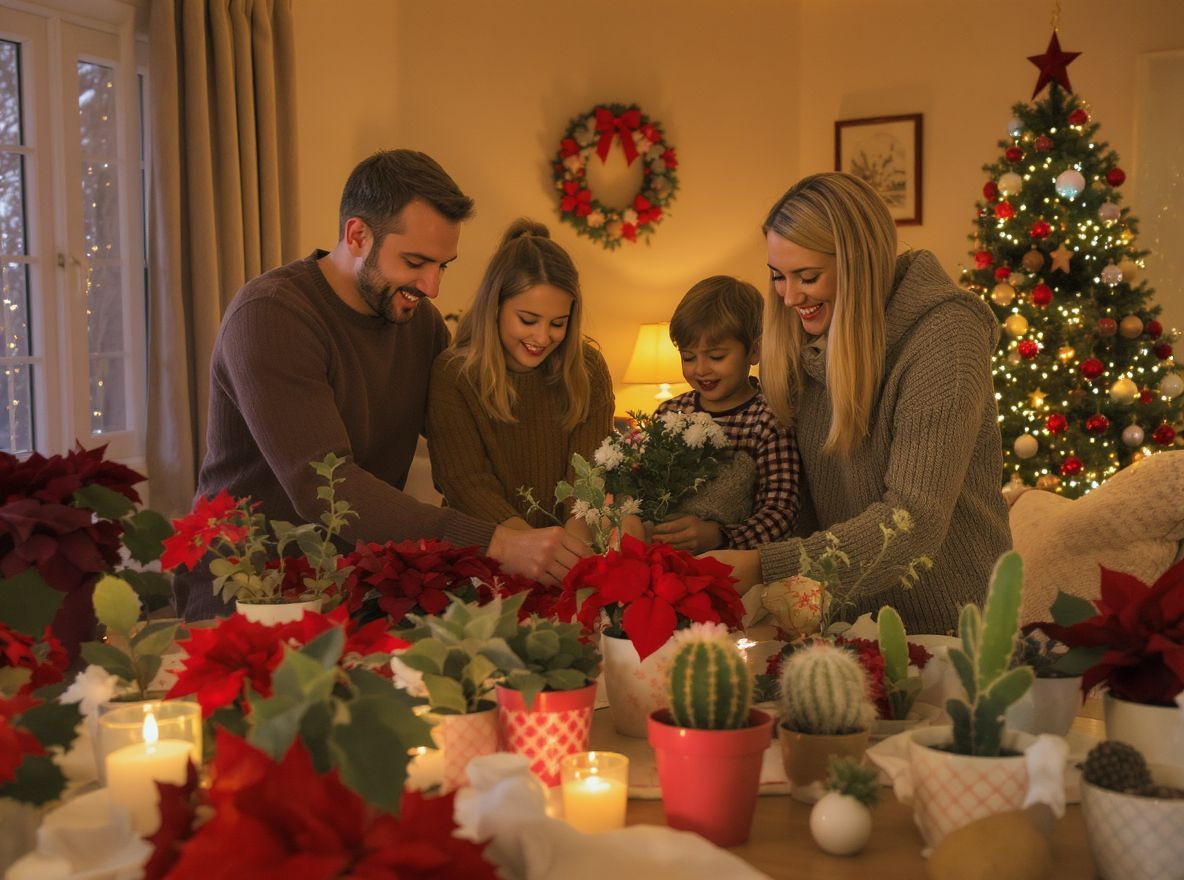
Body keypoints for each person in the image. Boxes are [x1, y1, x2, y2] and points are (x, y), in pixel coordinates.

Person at [178, 151, 588, 620]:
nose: (431, 286)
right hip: (249, 594)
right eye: (415, 261)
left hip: (355, 591)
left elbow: (474, 436)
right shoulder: (272, 316)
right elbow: (326, 486)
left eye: (443, 266)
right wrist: (496, 542)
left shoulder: (419, 323)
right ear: (357, 235)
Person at [709, 172, 1010, 634]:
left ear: (859, 265)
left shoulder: (946, 337)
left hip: (951, 631)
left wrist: (764, 564)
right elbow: (790, 490)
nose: (789, 297)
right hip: (844, 626)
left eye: (808, 277)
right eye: (778, 277)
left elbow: (912, 521)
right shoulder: (805, 336)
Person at [426, 219, 614, 531]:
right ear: (495, 307)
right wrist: (533, 547)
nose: (542, 338)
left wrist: (572, 549)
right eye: (528, 320)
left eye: (558, 323)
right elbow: (467, 484)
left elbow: (587, 479)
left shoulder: (588, 369)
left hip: (570, 542)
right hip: (487, 544)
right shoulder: (455, 375)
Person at [647, 275, 800, 553]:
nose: (701, 369)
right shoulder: (670, 413)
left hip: (734, 562)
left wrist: (722, 536)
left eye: (716, 356)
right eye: (688, 357)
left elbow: (780, 512)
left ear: (754, 350)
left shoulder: (768, 421)